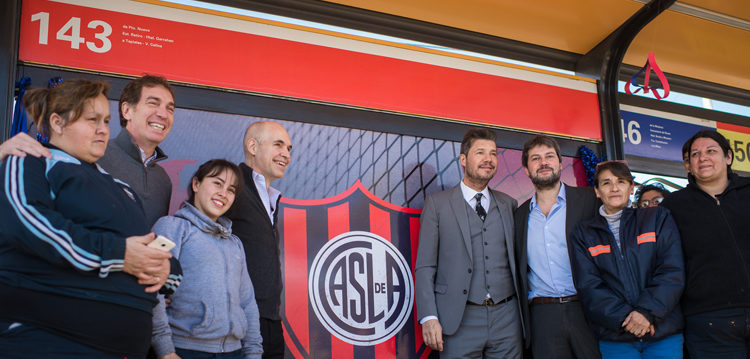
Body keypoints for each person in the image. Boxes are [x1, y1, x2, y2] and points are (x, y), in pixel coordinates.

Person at [0, 79, 181, 358]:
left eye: (106, 121)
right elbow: (27, 224)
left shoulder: (122, 188)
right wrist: (118, 253)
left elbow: (150, 248)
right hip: (47, 341)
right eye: (92, 120)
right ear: (57, 123)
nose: (103, 130)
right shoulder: (30, 160)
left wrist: (167, 270)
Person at [415, 128, 522, 358]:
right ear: (463, 159)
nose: (488, 159)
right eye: (480, 152)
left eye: (493, 154)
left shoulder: (509, 204)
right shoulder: (437, 205)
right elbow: (425, 266)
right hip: (458, 319)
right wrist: (429, 317)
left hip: (507, 319)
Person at [570, 161, 684, 359]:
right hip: (617, 339)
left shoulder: (656, 218)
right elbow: (589, 286)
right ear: (597, 191)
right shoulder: (584, 233)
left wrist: (646, 313)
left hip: (662, 332)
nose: (614, 188)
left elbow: (671, 271)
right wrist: (627, 319)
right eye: (606, 183)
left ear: (631, 188)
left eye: (621, 181)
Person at [151, 159, 263, 359]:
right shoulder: (172, 227)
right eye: (217, 183)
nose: (223, 193)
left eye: (231, 190)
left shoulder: (235, 243)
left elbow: (247, 303)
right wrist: (165, 349)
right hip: (184, 350)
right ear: (196, 184)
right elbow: (150, 287)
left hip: (233, 352)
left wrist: (253, 352)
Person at [661, 130, 750, 358]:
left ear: (728, 157)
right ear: (688, 165)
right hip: (709, 323)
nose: (703, 158)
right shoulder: (672, 206)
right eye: (695, 154)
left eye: (711, 151)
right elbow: (663, 262)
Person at [513, 135, 600, 358]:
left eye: (549, 156)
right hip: (543, 316)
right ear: (526, 169)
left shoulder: (589, 200)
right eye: (536, 158)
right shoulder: (518, 216)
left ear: (561, 163)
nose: (543, 163)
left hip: (587, 309)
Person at [225, 121, 292, 358]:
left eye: (289, 148)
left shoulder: (271, 198)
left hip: (271, 320)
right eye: (278, 145)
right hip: (239, 320)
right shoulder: (231, 185)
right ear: (252, 146)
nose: (286, 154)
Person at [99, 75, 176, 227]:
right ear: (127, 110)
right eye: (153, 103)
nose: (163, 114)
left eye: (170, 108)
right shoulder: (96, 156)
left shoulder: (163, 180)